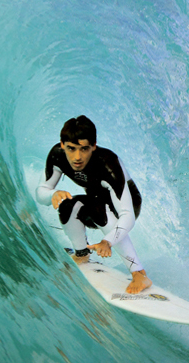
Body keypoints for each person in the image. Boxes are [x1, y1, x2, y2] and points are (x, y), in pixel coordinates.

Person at [35, 115, 152, 294]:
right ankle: (82, 254)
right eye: (71, 149)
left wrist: (107, 241)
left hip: (126, 203)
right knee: (67, 205)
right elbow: (41, 192)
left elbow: (128, 216)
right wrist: (53, 194)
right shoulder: (57, 156)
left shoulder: (107, 163)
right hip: (96, 200)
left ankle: (139, 273)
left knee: (98, 209)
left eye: (84, 149)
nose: (77, 157)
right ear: (62, 145)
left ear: (93, 146)